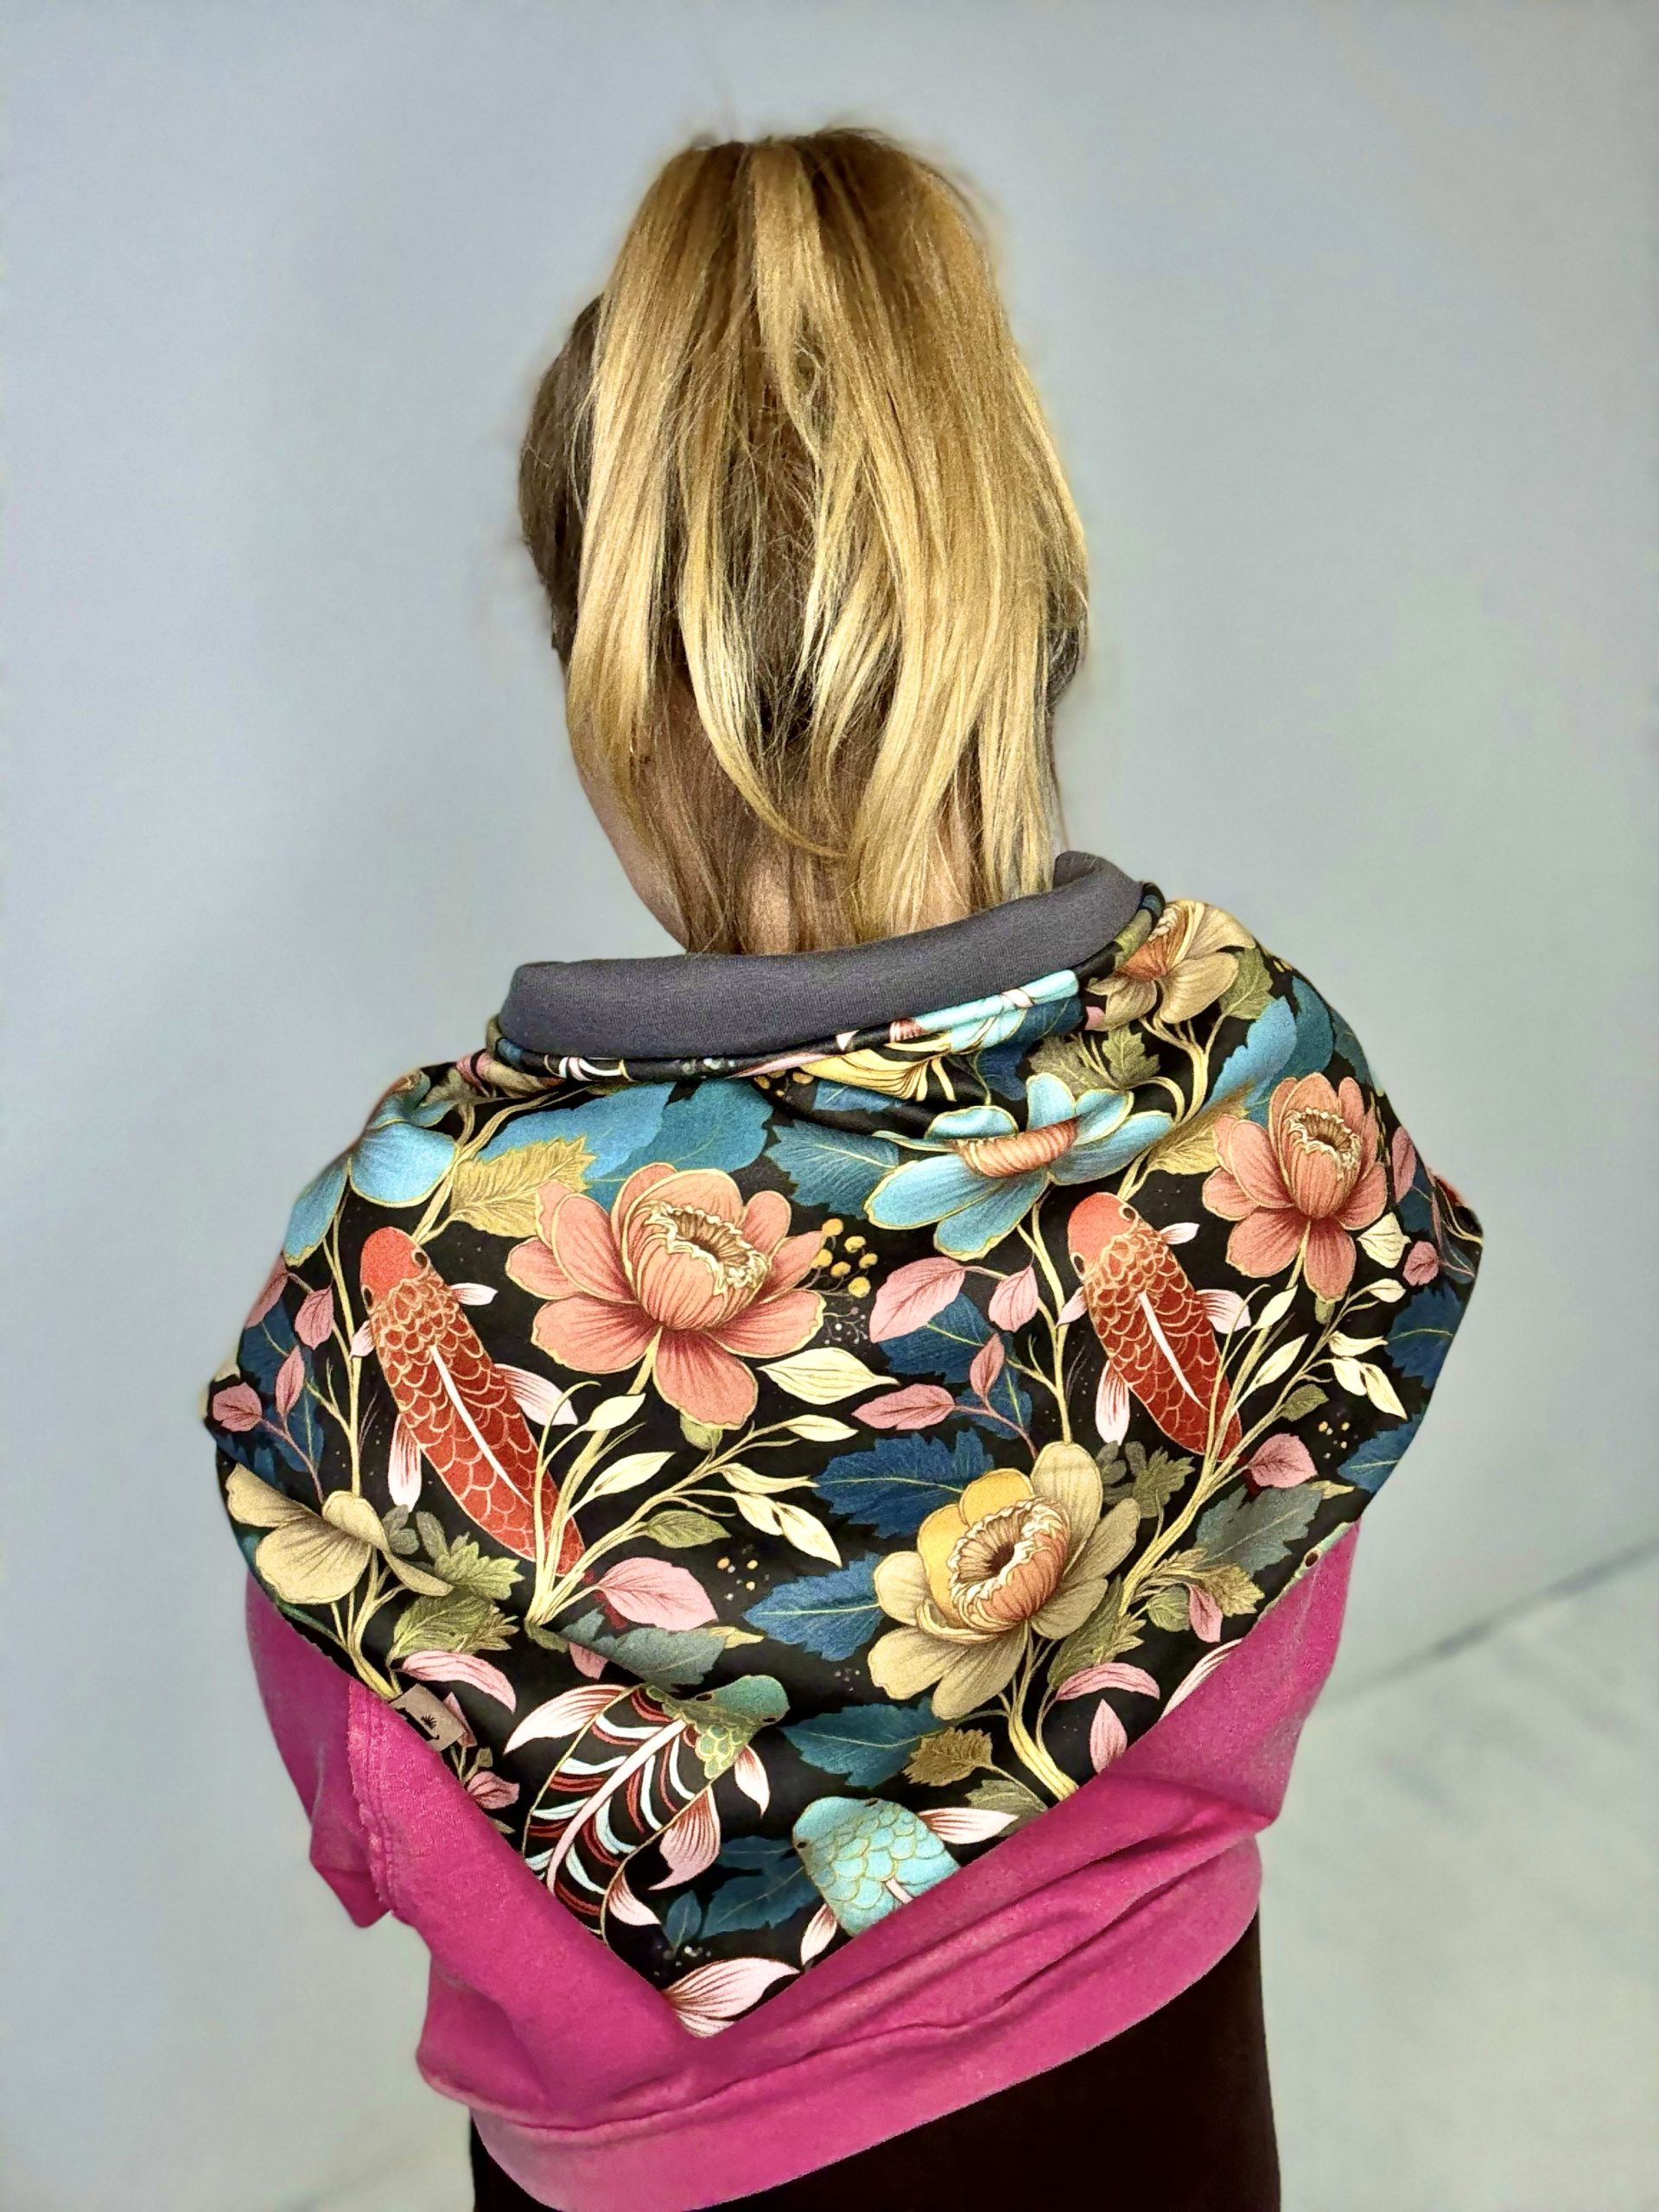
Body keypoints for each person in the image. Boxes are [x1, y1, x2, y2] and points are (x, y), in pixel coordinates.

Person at [205, 130, 1483, 2211]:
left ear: (614, 676)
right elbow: (1292, 1543)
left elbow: (385, 1830)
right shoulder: (1257, 1076)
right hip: (1172, 2098)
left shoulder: (401, 1275)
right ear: (1029, 594)